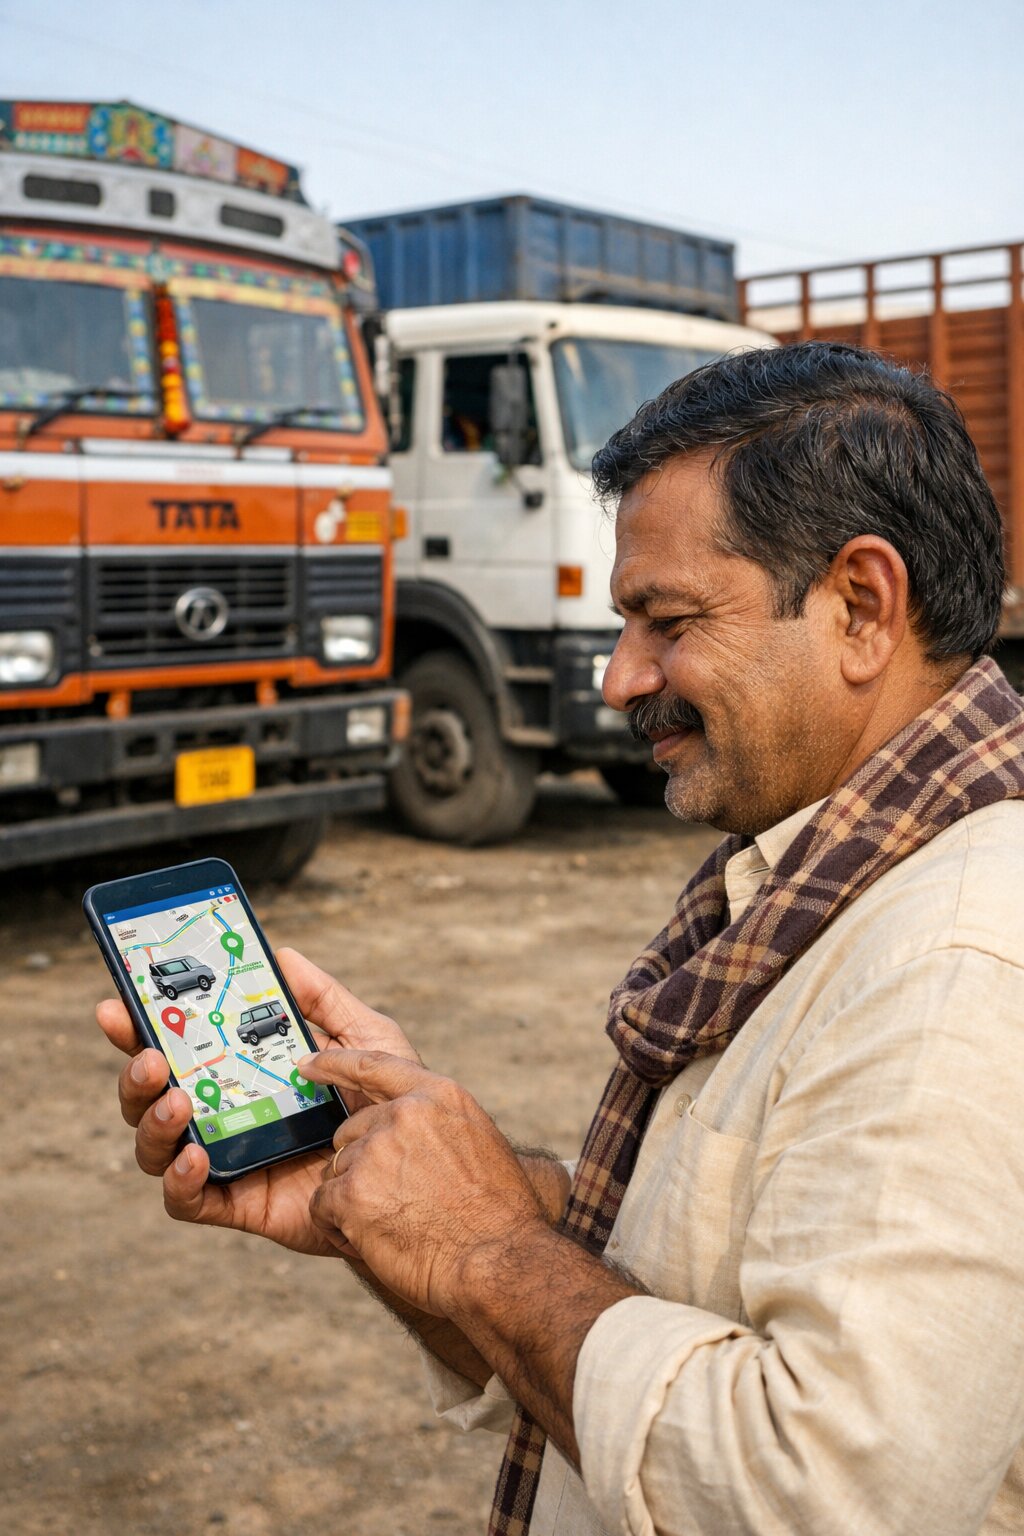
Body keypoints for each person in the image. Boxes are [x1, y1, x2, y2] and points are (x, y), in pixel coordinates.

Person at [98, 342, 1024, 1535]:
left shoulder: (958, 967)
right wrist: (396, 1190)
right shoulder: (837, 881)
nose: (618, 675)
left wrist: (482, 1247)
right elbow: (673, 1285)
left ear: (858, 605)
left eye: (667, 620)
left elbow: (828, 1495)